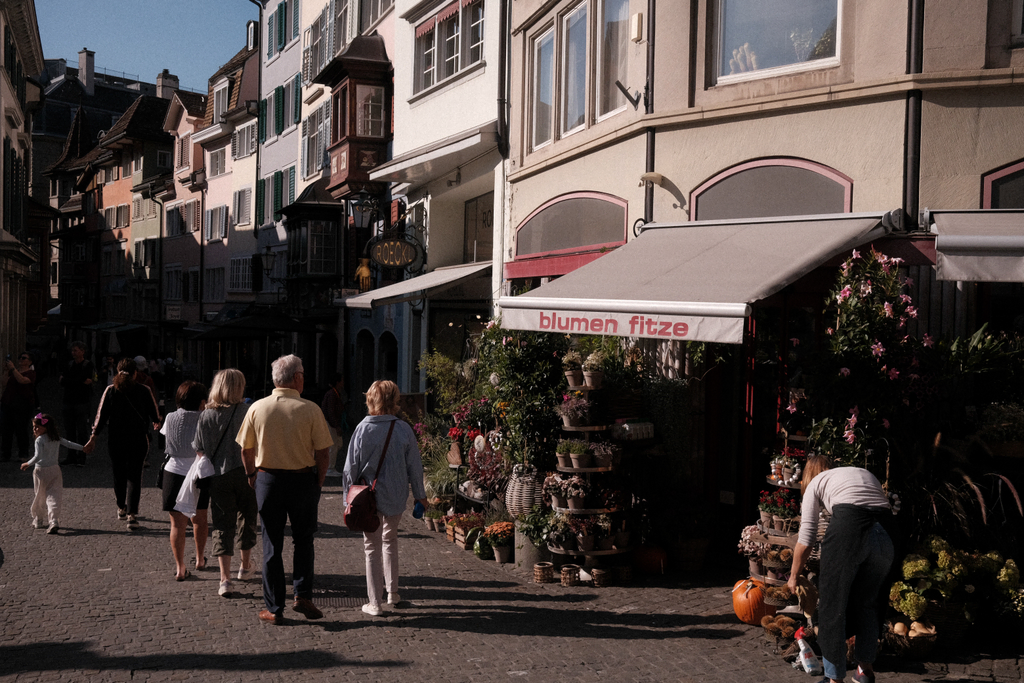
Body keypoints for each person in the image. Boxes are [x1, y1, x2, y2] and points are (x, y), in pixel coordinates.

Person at [237, 354, 333, 625]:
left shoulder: (257, 407)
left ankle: (274, 607)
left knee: (272, 544)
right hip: (303, 481)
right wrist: (319, 481)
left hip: (268, 480)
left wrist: (251, 476)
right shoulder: (310, 409)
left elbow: (246, 449)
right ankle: (302, 594)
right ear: (297, 378)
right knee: (304, 540)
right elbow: (323, 453)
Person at [787, 455, 894, 683]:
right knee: (869, 603)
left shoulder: (816, 483)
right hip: (886, 532)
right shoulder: (858, 473)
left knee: (831, 605)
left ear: (808, 476)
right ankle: (864, 670)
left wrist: (794, 575)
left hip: (849, 529)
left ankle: (834, 679)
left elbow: (806, 538)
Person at [343, 380, 428, 617]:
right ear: (394, 401)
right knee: (390, 540)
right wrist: (420, 495)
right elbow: (415, 466)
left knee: (372, 546)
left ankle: (375, 602)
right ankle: (393, 592)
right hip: (397, 494)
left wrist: (346, 500)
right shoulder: (403, 429)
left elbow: (350, 469)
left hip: (367, 497)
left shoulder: (362, 428)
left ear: (371, 399)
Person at [195, 368, 258, 599]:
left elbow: (199, 448)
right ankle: (245, 565)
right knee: (248, 516)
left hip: (218, 476)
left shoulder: (206, 415)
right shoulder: (248, 411)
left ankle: (225, 579)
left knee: (222, 523)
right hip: (246, 472)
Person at [84, 358, 162, 530]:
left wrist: (93, 437)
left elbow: (101, 417)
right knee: (135, 475)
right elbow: (154, 413)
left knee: (118, 473)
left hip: (116, 439)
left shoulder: (111, 390)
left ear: (118, 372)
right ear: (135, 373)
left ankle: (121, 507)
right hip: (138, 438)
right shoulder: (144, 390)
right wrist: (157, 422)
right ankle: (132, 515)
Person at [160, 381, 209, 581]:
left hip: (173, 471)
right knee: (200, 518)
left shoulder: (170, 417)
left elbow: (165, 436)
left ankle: (180, 567)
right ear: (201, 402)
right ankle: (199, 558)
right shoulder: (205, 419)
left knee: (177, 524)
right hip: (198, 471)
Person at [21, 413, 84, 534]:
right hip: (55, 469)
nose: (34, 430)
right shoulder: (56, 438)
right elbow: (69, 444)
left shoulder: (39, 440)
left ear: (45, 427)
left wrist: (27, 463)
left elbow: (38, 456)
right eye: (33, 427)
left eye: (36, 427)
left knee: (39, 495)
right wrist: (83, 448)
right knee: (54, 496)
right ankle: (53, 520)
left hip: (40, 470)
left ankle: (39, 519)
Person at [59, 341, 94, 467]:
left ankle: (81, 456)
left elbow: (86, 380)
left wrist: (70, 381)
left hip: (82, 402)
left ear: (82, 351)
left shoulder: (88, 365)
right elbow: (62, 382)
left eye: (76, 350)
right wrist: (77, 381)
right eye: (72, 350)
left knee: (82, 431)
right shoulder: (69, 364)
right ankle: (71, 456)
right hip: (68, 401)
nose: (73, 353)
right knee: (69, 431)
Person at [1, 352, 37, 462]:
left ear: (30, 361)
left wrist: (13, 370)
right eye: (20, 358)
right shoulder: (14, 372)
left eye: (24, 358)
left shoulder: (31, 373)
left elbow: (22, 380)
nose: (21, 360)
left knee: (21, 430)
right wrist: (7, 370)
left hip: (23, 405)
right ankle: (5, 454)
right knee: (6, 430)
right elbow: (3, 383)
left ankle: (23, 454)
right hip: (8, 403)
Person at [320, 373, 347, 478]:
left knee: (337, 445)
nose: (343, 383)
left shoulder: (334, 393)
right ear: (337, 382)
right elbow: (331, 412)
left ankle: (330, 467)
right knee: (333, 446)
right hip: (330, 423)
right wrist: (336, 426)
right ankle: (329, 468)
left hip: (331, 422)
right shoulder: (332, 394)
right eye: (342, 381)